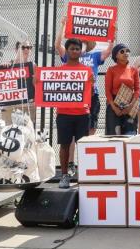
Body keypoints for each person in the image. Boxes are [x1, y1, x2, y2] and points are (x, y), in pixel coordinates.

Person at [55, 15, 114, 174]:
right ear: (69, 50)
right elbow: (57, 45)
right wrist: (63, 25)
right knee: (68, 141)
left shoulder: (92, 59)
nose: (77, 48)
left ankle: (85, 168)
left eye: (80, 44)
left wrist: (111, 36)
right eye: (74, 46)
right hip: (68, 105)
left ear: (85, 46)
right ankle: (69, 167)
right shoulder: (65, 61)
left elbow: (108, 51)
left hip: (89, 100)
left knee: (88, 134)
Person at [57, 38, 94, 189]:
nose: (74, 51)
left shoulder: (87, 71)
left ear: (81, 51)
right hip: (64, 113)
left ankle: (83, 176)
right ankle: (65, 176)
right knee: (64, 145)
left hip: (82, 114)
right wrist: (38, 82)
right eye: (71, 48)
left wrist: (91, 83)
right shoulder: (59, 71)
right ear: (67, 50)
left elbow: (89, 94)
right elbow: (50, 90)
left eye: (77, 49)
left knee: (83, 146)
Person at [105, 44, 140, 135]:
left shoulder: (134, 70)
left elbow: (137, 89)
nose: (126, 53)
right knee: (114, 135)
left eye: (127, 51)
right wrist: (114, 108)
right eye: (122, 51)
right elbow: (107, 91)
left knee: (130, 134)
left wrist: (130, 106)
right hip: (114, 104)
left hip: (130, 103)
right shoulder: (111, 70)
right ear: (116, 55)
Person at [1, 40, 37, 125]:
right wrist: (3, 69)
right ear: (16, 50)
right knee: (9, 134)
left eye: (28, 47)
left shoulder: (33, 66)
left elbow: (36, 87)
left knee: (27, 135)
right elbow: (0, 86)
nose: (26, 50)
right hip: (10, 106)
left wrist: (36, 81)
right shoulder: (8, 65)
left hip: (27, 105)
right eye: (23, 47)